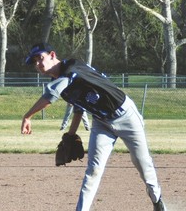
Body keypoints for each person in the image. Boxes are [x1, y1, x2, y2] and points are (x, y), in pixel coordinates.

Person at [21, 42, 167, 211]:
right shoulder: (63, 82)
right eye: (34, 62)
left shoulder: (72, 69)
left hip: (126, 116)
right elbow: (79, 107)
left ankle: (157, 201)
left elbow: (50, 95)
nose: (38, 64)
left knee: (143, 164)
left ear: (52, 55)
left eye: (40, 58)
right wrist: (71, 134)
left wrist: (27, 116)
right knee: (93, 171)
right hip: (102, 122)